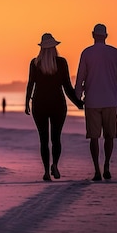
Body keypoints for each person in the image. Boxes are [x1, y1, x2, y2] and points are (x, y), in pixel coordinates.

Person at [75, 23, 117, 182]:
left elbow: (80, 78)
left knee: (94, 137)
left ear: (93, 35)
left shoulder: (86, 53)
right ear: (106, 36)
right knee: (109, 136)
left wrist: (78, 98)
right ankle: (106, 165)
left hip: (92, 101)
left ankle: (97, 170)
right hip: (111, 101)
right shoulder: (116, 53)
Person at [25, 33, 84, 182]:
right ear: (54, 47)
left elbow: (31, 84)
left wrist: (27, 103)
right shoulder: (61, 62)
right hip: (58, 105)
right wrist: (79, 103)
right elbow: (67, 87)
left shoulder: (35, 63)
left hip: (39, 104)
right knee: (56, 138)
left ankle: (46, 171)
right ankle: (55, 165)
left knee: (43, 139)